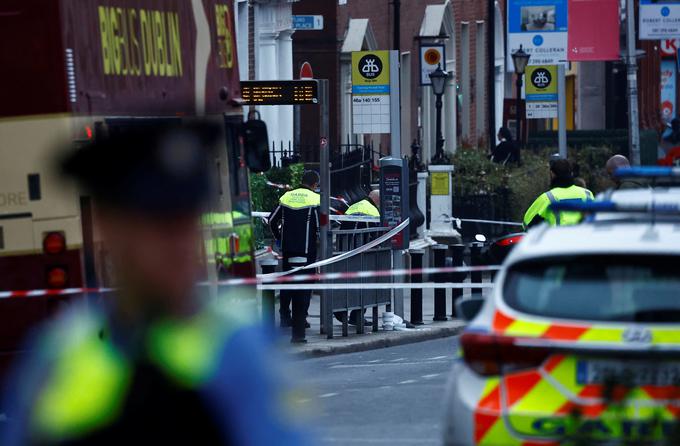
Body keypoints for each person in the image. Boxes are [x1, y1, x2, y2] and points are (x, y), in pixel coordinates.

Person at [1, 123, 309, 445]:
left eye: (189, 225)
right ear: (110, 230)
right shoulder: (58, 354)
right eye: (161, 228)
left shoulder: (239, 350)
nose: (182, 246)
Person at [268, 171, 320, 343]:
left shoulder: (287, 197)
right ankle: (300, 323)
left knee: (287, 282)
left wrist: (279, 238)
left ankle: (284, 316)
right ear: (314, 185)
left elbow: (271, 221)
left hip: (288, 250)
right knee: (305, 287)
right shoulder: (315, 199)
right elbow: (320, 228)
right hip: (307, 251)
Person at [333, 190, 380, 327]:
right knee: (364, 285)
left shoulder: (354, 205)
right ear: (377, 200)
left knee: (347, 282)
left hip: (345, 251)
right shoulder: (372, 210)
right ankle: (356, 316)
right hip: (362, 253)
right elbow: (374, 235)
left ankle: (341, 310)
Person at [523, 158, 594, 229]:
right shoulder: (587, 194)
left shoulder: (547, 198)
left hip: (558, 239)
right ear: (571, 173)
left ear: (552, 174)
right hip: (585, 238)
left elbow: (527, 223)